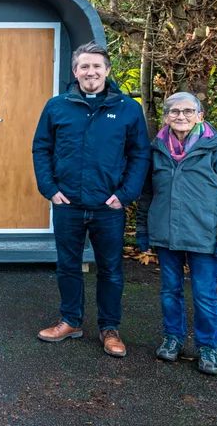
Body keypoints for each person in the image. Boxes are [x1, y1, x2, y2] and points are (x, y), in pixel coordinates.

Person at [32, 41, 150, 357]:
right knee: (68, 266)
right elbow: (41, 148)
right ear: (75, 71)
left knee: (110, 269)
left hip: (108, 206)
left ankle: (109, 329)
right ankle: (70, 321)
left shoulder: (129, 109)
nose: (91, 72)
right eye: (84, 66)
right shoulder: (56, 107)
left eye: (97, 66)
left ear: (107, 70)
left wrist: (124, 195)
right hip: (67, 203)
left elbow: (139, 155)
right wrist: (50, 189)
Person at [136, 92, 217, 375]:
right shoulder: (156, 148)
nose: (180, 116)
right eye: (174, 111)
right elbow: (148, 194)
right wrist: (143, 230)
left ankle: (207, 347)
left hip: (205, 236)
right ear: (165, 116)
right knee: (170, 291)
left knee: (204, 294)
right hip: (166, 234)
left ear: (200, 115)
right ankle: (173, 338)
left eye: (187, 111)